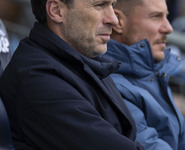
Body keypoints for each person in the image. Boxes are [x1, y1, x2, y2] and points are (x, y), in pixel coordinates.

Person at [0, 0, 144, 149]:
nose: (113, 19)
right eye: (99, 5)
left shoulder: (82, 61)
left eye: (112, 5)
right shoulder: (38, 80)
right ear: (56, 11)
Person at [104, 0, 185, 149]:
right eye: (156, 17)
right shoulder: (112, 84)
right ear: (118, 22)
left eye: (166, 17)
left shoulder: (152, 72)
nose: (168, 28)